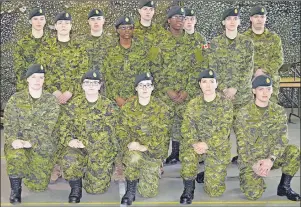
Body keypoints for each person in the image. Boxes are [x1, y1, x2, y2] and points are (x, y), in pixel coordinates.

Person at [36, 11, 89, 183]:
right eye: (60, 23)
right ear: (55, 26)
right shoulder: (46, 48)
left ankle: (76, 164)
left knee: (75, 131)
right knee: (53, 132)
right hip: (52, 98)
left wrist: (70, 92)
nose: (64, 26)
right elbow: (41, 72)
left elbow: (84, 73)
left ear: (71, 26)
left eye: (67, 23)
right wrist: (55, 92)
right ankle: (55, 166)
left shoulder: (80, 48)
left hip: (75, 98)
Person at [233, 75, 300, 201]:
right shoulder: (243, 113)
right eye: (261, 89)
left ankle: (284, 187)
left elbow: (282, 138)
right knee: (253, 194)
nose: (265, 93)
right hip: (252, 161)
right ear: (253, 91)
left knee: (293, 151)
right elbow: (242, 145)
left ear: (272, 90)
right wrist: (253, 165)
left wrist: (271, 159)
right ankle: (253, 180)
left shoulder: (279, 111)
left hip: (271, 157)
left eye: (268, 89)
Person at [154, 6, 205, 165]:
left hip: (187, 93)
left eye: (182, 18)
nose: (179, 21)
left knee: (189, 125)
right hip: (165, 94)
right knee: (164, 126)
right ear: (168, 20)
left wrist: (187, 91)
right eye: (175, 17)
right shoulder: (158, 41)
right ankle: (162, 159)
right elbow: (154, 67)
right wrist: (167, 89)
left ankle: (192, 155)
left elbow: (199, 67)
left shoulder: (194, 42)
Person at [4, 64, 60, 204]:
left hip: (41, 145)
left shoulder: (51, 101)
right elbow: (9, 124)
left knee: (38, 187)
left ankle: (30, 170)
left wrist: (31, 142)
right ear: (27, 79)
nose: (37, 80)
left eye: (41, 77)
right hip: (19, 142)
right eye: (33, 77)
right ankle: (15, 191)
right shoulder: (16, 99)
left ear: (44, 80)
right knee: (16, 156)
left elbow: (48, 128)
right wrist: (13, 140)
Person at [60, 70, 119, 203]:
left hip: (100, 150)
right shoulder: (74, 105)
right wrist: (70, 140)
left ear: (100, 85)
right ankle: (76, 187)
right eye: (87, 83)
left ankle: (103, 169)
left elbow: (111, 132)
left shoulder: (108, 106)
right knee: (69, 158)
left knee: (96, 190)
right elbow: (64, 127)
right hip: (79, 148)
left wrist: (86, 142)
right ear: (82, 85)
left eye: (94, 83)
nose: (91, 86)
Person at [117, 72, 173, 205]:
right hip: (133, 149)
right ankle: (130, 190)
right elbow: (121, 130)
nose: (144, 88)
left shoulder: (162, 108)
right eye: (141, 85)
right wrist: (130, 143)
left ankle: (154, 168)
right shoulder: (127, 108)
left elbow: (163, 135)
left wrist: (145, 146)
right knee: (133, 158)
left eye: (148, 85)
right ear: (136, 88)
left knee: (148, 193)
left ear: (153, 88)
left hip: (153, 152)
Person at [180, 69, 233, 204]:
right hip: (196, 145)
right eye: (204, 82)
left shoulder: (225, 104)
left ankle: (207, 173)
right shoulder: (193, 104)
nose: (208, 85)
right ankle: (188, 188)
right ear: (199, 84)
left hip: (217, 146)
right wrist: (194, 143)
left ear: (217, 84)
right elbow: (187, 127)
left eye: (211, 82)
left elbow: (224, 131)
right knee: (188, 156)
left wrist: (207, 144)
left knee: (214, 191)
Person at [244, 5, 284, 102]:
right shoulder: (243, 38)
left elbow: (279, 59)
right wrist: (254, 71)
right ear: (251, 18)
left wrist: (263, 71)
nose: (259, 19)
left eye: (262, 17)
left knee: (270, 113)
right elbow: (240, 60)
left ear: (266, 18)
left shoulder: (274, 38)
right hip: (249, 80)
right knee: (249, 112)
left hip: (269, 80)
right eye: (256, 16)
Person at [75, 9, 114, 95]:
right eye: (93, 19)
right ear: (88, 22)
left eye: (98, 19)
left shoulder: (112, 42)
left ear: (104, 20)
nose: (96, 22)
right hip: (85, 86)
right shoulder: (79, 42)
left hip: (106, 88)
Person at [14, 8, 48, 91]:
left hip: (51, 89)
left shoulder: (53, 43)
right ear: (30, 21)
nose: (38, 22)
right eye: (35, 19)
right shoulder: (22, 44)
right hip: (28, 88)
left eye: (41, 19)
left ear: (45, 21)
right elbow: (20, 70)